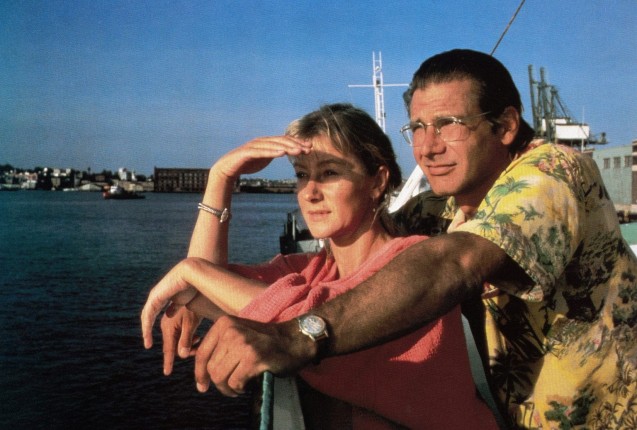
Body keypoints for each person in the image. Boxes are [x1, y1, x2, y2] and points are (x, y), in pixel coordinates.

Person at [168, 49, 637, 429]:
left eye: (449, 123)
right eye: (416, 127)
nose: (427, 147)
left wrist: (296, 335)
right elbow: (366, 245)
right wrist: (219, 183)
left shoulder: (553, 170)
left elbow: (451, 263)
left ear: (506, 126)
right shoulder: (437, 210)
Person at [141, 103, 498, 429]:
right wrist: (221, 179)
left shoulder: (413, 263)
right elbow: (208, 287)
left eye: (328, 173)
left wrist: (191, 270)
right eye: (301, 175)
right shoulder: (310, 270)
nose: (309, 192)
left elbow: (309, 321)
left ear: (377, 182)